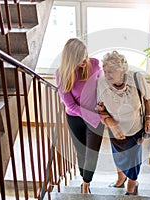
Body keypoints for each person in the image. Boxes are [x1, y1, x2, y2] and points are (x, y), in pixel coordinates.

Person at [97, 51, 150, 195]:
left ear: (122, 70)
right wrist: (111, 123)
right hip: (115, 130)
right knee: (118, 155)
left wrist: (148, 118)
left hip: (136, 128)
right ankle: (121, 178)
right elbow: (100, 109)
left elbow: (147, 99)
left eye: (110, 71)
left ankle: (132, 183)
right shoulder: (102, 83)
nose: (106, 75)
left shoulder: (136, 79)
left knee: (133, 159)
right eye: (105, 71)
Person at [56, 38, 105, 194]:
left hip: (96, 117)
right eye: (80, 58)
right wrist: (93, 117)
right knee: (82, 152)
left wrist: (102, 107)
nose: (85, 60)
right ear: (71, 59)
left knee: (92, 154)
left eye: (86, 55)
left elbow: (103, 88)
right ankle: (85, 181)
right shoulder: (61, 74)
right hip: (75, 118)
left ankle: (86, 182)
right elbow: (70, 105)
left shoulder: (95, 64)